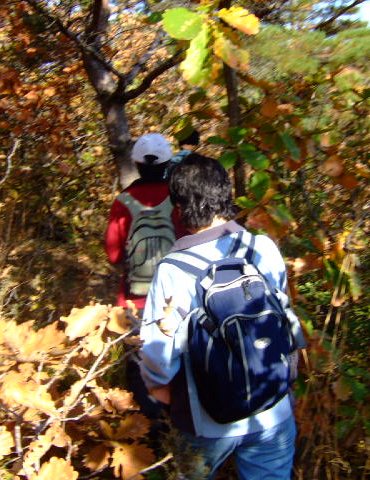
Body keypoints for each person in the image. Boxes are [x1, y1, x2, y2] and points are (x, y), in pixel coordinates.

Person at [139, 153, 298, 479]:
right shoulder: (263, 248)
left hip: (207, 419)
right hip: (273, 408)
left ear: (179, 208)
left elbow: (159, 352)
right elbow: (283, 313)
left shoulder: (172, 269)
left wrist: (157, 387)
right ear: (226, 194)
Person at [104, 132, 186, 311]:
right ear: (167, 163)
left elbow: (113, 255)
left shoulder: (122, 202)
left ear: (136, 163)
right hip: (176, 299)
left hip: (134, 302)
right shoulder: (179, 199)